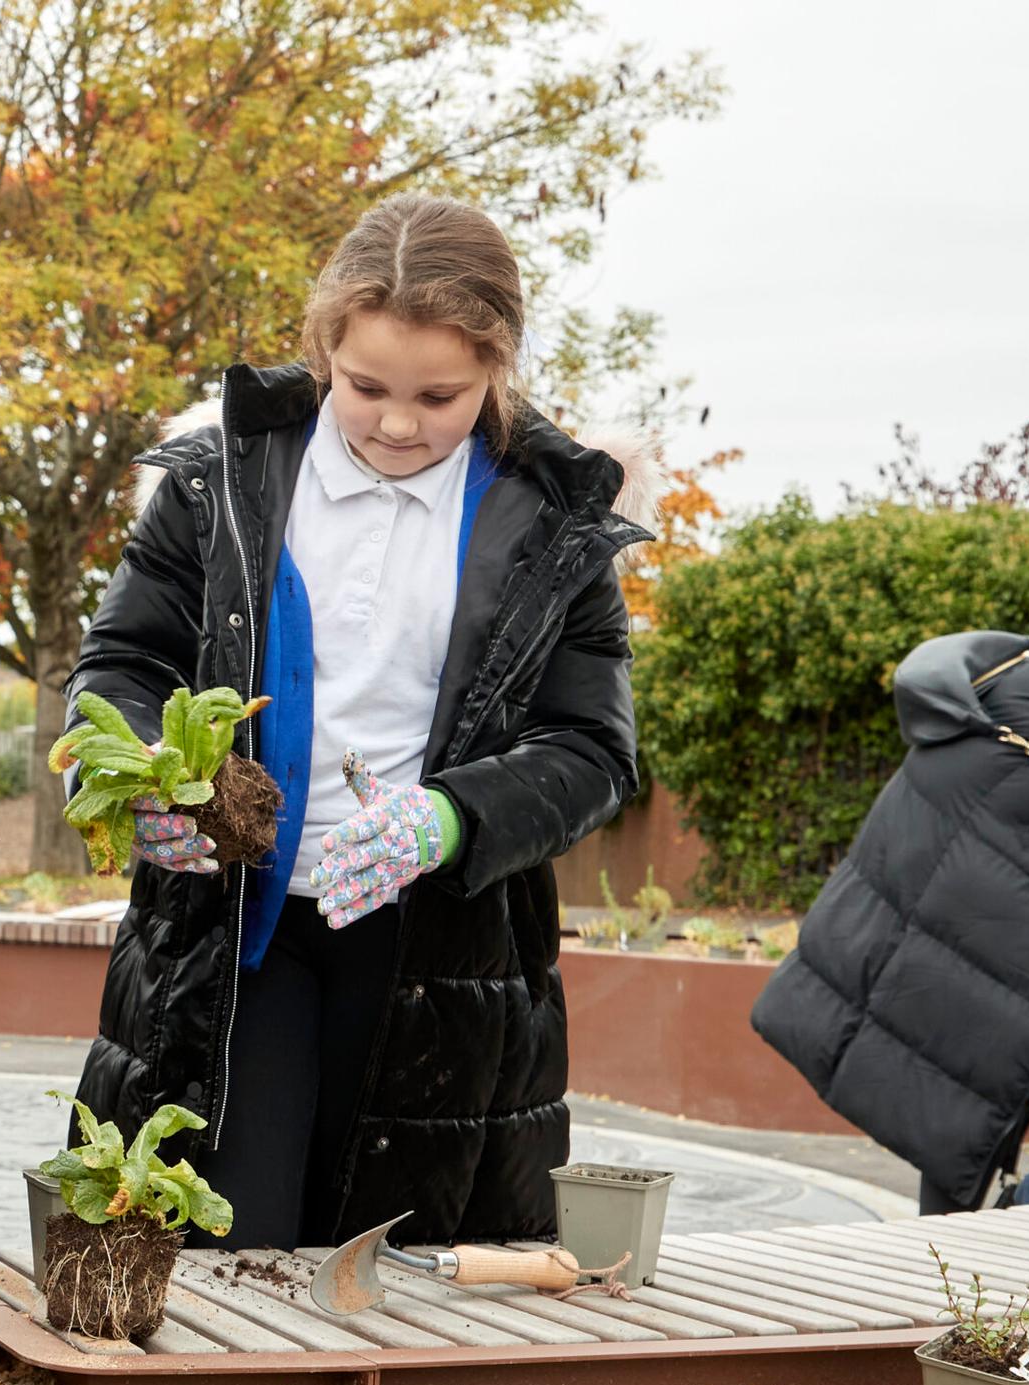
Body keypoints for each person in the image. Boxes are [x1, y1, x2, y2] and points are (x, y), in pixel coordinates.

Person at [65, 194, 659, 1250]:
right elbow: (124, 662)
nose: (396, 423)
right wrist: (142, 773)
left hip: (440, 948)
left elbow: (591, 748)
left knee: (396, 1263)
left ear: (499, 367)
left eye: (442, 395)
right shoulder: (217, 481)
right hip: (237, 930)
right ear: (321, 347)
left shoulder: (557, 516)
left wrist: (452, 819)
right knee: (226, 1242)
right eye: (364, 386)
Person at [753, 632, 1029, 1214]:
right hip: (977, 931)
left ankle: (953, 1265)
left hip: (955, 937)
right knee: (959, 1108)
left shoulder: (1009, 680)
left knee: (953, 1114)